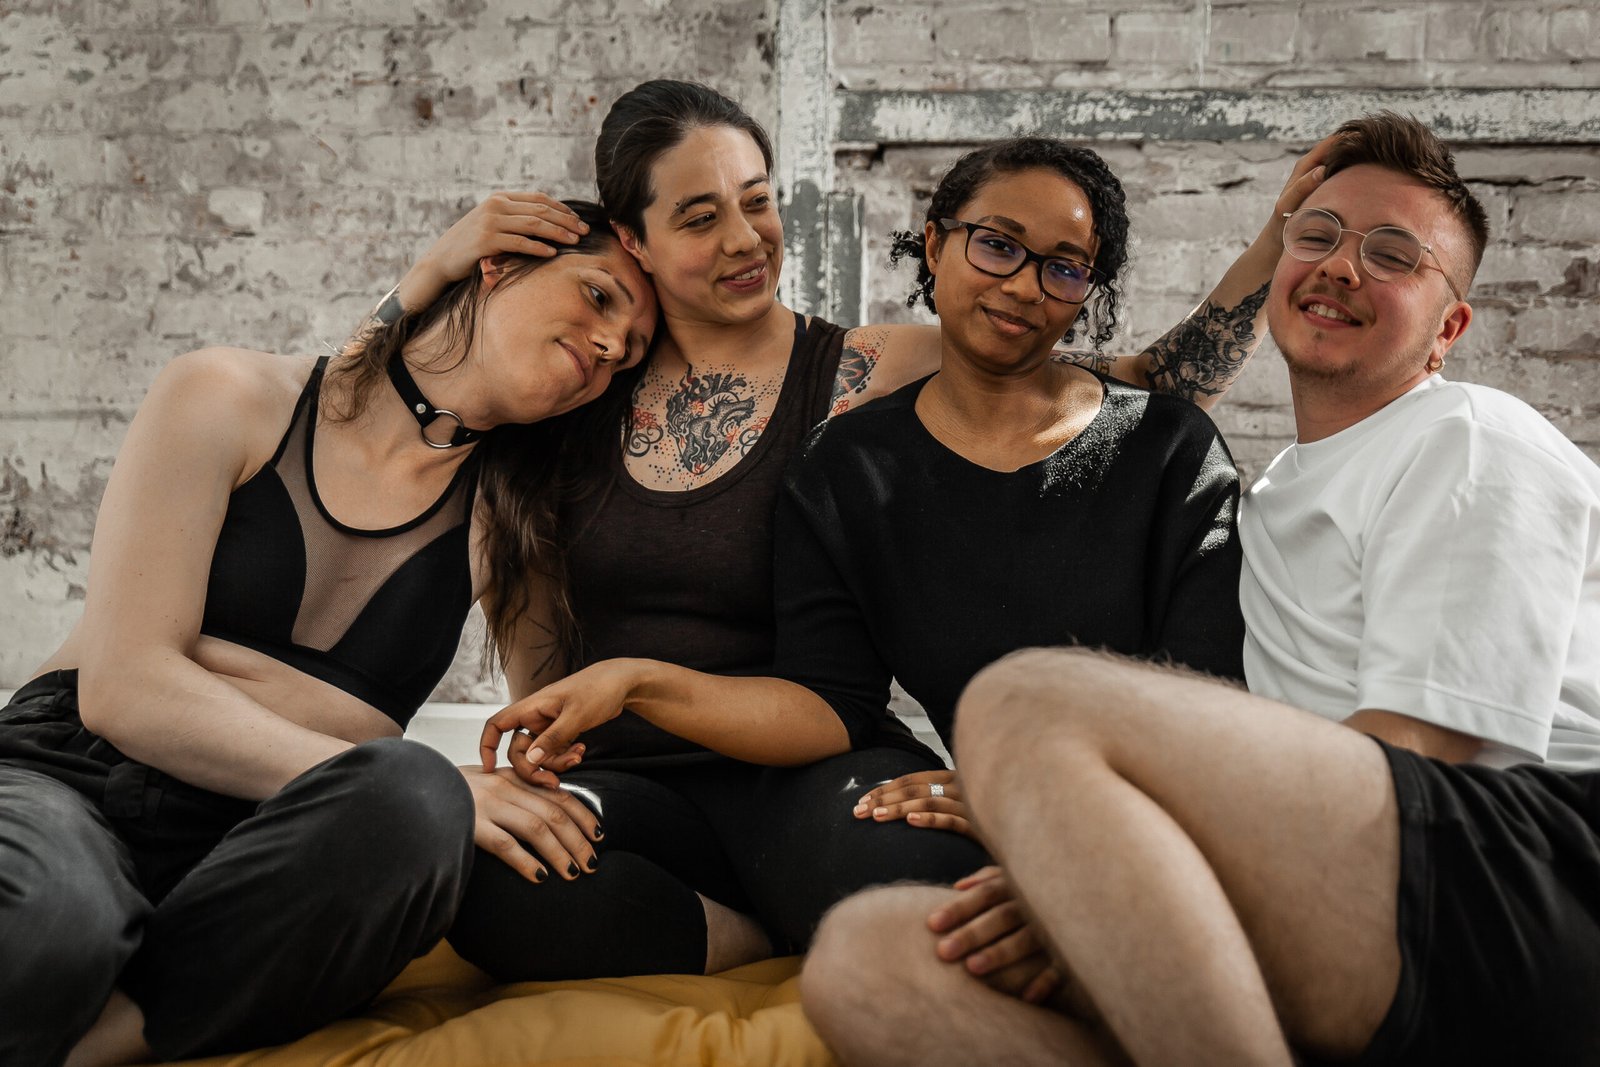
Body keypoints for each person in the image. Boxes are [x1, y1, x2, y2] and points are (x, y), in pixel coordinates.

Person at [393, 80, 1326, 982]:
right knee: (490, 884)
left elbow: (1122, 394)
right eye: (698, 216)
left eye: (757, 202)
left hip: (814, 764)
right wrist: (430, 274)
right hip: (633, 782)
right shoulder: (574, 386)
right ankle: (741, 935)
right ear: (631, 239)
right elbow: (366, 419)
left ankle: (783, 909)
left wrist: (1273, 249)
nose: (744, 238)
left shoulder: (872, 369)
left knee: (929, 895)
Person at [799, 114, 1600, 1066]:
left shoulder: (1468, 435)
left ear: (1448, 328)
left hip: (1527, 868)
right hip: (1357, 914)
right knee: (872, 963)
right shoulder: (1260, 503)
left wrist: (1094, 864)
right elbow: (1059, 375)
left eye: (1393, 255)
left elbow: (1423, 752)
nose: (1343, 266)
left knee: (1024, 701)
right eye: (1319, 237)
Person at [0, 200, 657, 1067]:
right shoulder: (227, 395)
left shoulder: (515, 526)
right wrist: (426, 274)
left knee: (415, 799)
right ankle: (120, 1004)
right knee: (55, 926)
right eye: (601, 297)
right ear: (499, 263)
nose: (612, 347)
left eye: (634, 352)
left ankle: (110, 1035)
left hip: (266, 843)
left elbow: (550, 737)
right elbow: (124, 687)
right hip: (72, 774)